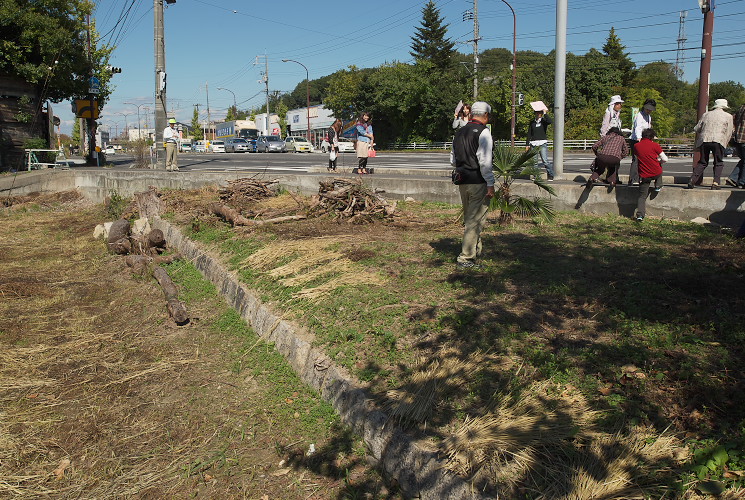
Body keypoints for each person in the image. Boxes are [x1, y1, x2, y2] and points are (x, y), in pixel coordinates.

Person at [450, 101, 495, 269]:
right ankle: (466, 258)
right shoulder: (484, 133)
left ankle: (475, 250)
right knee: (474, 220)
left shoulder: (459, 132)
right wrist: (490, 183)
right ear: (485, 115)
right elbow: (485, 161)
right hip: (478, 180)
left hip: (463, 180)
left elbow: (453, 159)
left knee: (471, 217)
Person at [686, 99, 734, 190]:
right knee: (718, 162)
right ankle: (715, 182)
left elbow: (697, 128)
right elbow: (729, 132)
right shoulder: (728, 116)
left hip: (704, 140)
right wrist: (725, 143)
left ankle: (692, 179)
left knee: (703, 162)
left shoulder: (706, 114)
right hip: (718, 140)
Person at [633, 128, 668, 222]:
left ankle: (640, 215)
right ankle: (658, 185)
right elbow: (665, 159)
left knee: (642, 196)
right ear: (652, 137)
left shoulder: (636, 146)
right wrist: (658, 161)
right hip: (655, 172)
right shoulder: (655, 145)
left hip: (644, 175)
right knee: (659, 168)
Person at [629, 98, 656, 185]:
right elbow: (638, 127)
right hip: (636, 140)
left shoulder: (649, 117)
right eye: (647, 109)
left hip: (644, 140)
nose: (649, 111)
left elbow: (648, 129)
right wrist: (639, 138)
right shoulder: (639, 115)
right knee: (636, 159)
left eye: (650, 109)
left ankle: (640, 178)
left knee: (643, 160)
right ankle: (633, 179)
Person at [525, 104, 554, 181]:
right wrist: (527, 144)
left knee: (545, 160)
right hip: (533, 143)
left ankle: (550, 175)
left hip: (542, 143)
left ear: (541, 114)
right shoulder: (532, 122)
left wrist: (545, 113)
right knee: (534, 162)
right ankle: (536, 176)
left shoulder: (544, 121)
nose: (537, 114)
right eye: (536, 113)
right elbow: (529, 134)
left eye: (539, 113)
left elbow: (550, 121)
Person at [725, 102, 745, 188]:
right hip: (744, 138)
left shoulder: (741, 108)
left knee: (744, 160)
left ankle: (733, 178)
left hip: (738, 139)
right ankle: (742, 182)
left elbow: (733, 118)